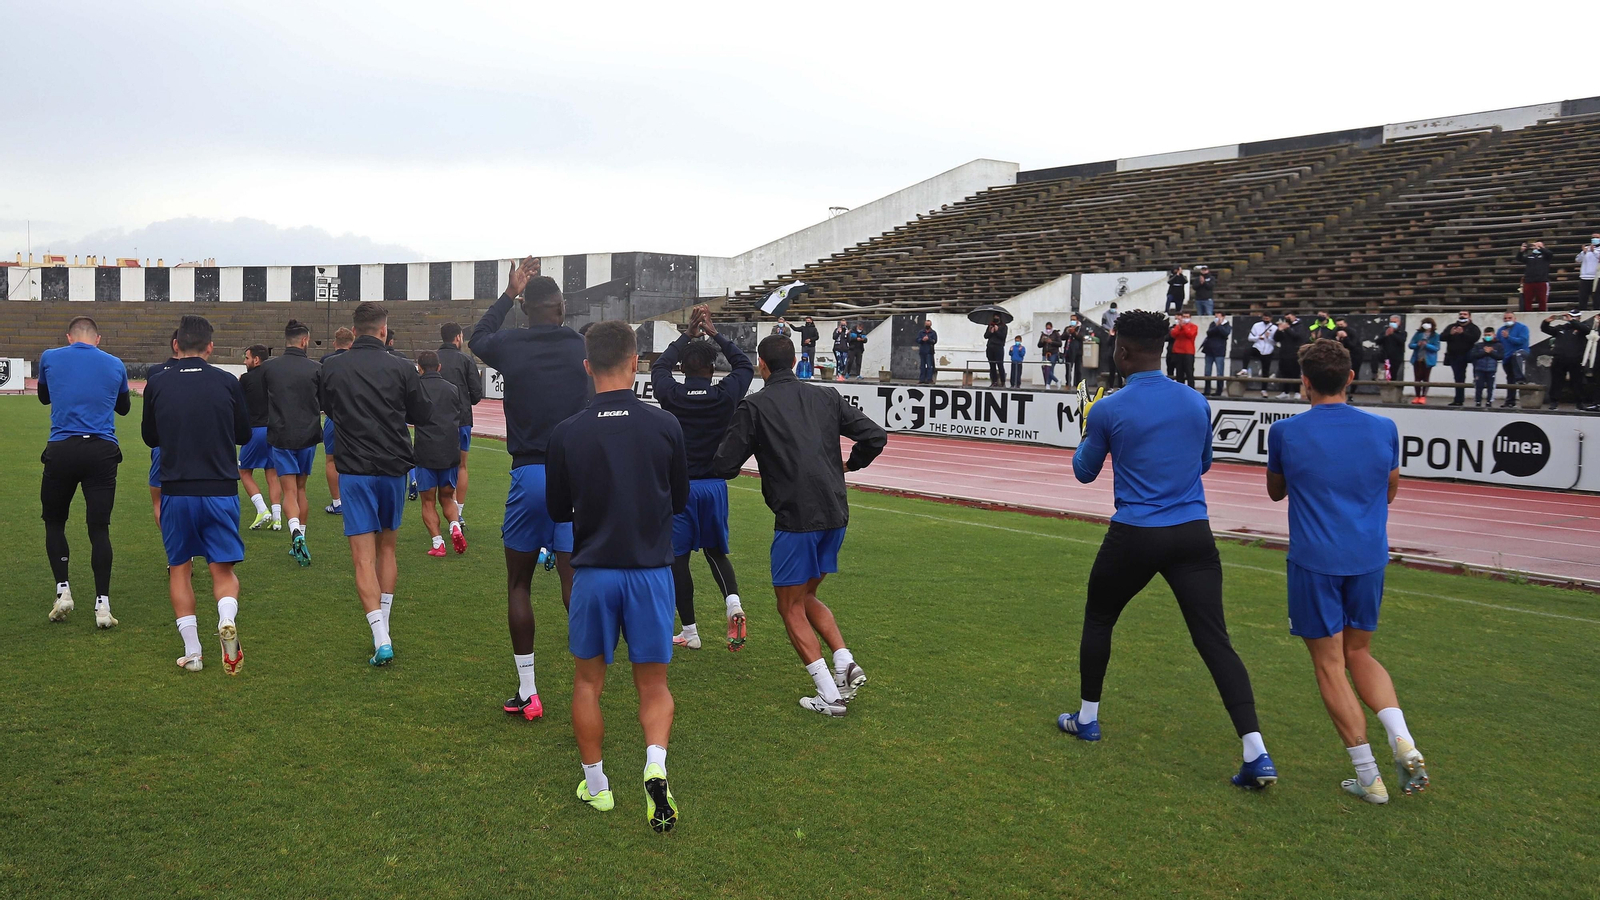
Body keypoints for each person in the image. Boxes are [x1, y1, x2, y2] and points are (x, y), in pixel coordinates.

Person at [1058, 309, 1275, 789]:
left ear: (1122, 351)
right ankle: (1255, 749)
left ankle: (1087, 718)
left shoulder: (1108, 408)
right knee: (1214, 639)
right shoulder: (1195, 402)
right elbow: (1203, 465)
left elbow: (1083, 472)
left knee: (1099, 618)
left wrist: (1086, 431)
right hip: (1193, 533)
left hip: (1136, 533)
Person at [1266, 338, 1428, 805]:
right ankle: (1401, 736)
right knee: (1361, 652)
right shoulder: (1384, 428)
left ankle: (1369, 777)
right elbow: (1392, 490)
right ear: (1351, 379)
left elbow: (1276, 491)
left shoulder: (1286, 433)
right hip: (1369, 557)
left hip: (1316, 560)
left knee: (1329, 664)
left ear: (1305, 382)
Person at [546, 320, 688, 830]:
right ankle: (654, 764)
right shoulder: (665, 425)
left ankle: (598, 785)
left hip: (594, 574)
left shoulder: (567, 432)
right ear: (636, 363)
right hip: (650, 572)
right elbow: (680, 498)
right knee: (653, 686)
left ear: (587, 366)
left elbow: (559, 509)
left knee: (589, 683)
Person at [712, 335, 888, 717]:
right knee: (805, 596)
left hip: (797, 517)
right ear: (794, 361)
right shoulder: (826, 397)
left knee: (789, 605)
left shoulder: (755, 406)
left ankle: (829, 694)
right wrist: (851, 465)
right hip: (836, 514)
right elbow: (876, 436)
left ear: (762, 365)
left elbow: (724, 465)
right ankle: (843, 661)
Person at [470, 258, 591, 720]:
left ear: (525, 308)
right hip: (576, 475)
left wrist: (507, 294)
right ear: (561, 307)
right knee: (572, 582)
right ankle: (588, 681)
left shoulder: (512, 344)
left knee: (518, 582)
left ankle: (528, 690)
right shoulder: (581, 344)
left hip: (531, 472)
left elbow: (477, 336)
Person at [321, 302, 433, 666]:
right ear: (383, 331)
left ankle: (380, 635)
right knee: (387, 550)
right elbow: (423, 414)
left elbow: (328, 406)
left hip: (354, 469)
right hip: (392, 469)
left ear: (354, 332)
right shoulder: (402, 366)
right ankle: (383, 627)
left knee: (362, 558)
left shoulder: (333, 365)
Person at [142, 315, 251, 674]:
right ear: (210, 347)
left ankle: (193, 652)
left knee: (180, 570)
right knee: (222, 570)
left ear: (176, 345)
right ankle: (225, 618)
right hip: (219, 489)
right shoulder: (226, 381)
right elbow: (243, 434)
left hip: (176, 490)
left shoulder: (156, 384)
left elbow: (150, 437)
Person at [650, 305, 755, 652]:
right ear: (712, 369)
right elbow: (745, 366)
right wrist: (714, 333)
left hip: (679, 488)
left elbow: (658, 367)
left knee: (678, 559)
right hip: (714, 487)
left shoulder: (673, 394)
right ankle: (733, 604)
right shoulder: (725, 394)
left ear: (683, 369)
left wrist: (687, 336)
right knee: (715, 552)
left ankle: (690, 631)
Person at [37, 315, 130, 628]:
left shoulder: (50, 357)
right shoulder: (115, 363)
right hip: (101, 451)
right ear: (98, 339)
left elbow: (44, 396)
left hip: (62, 449)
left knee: (54, 522)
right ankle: (102, 605)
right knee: (99, 528)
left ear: (69, 337)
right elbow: (124, 408)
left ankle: (63, 590)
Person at [262, 319, 323, 565]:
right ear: (305, 340)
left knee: (288, 490)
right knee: (301, 489)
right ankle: (302, 535)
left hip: (281, 433)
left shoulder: (269, 368)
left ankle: (295, 530)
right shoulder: (316, 368)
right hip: (307, 434)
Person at [412, 350, 468, 557]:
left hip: (426, 452)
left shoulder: (416, 388)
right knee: (447, 497)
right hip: (449, 451)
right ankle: (454, 525)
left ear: (419, 367)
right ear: (439, 367)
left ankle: (438, 543)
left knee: (428, 501)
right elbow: (459, 414)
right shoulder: (453, 389)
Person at [436, 322, 484, 527]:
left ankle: (445, 509)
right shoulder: (465, 360)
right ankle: (459, 511)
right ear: (458, 337)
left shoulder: (432, 358)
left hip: (435, 421)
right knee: (461, 465)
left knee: (441, 466)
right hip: (461, 419)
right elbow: (476, 394)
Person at [238, 344, 281, 531]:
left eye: (247, 358)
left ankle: (262, 509)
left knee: (244, 472)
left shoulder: (246, 379)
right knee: (271, 473)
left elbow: (238, 405)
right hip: (274, 430)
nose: (244, 361)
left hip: (255, 430)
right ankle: (278, 518)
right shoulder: (273, 376)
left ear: (256, 359)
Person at [145, 331, 181, 527]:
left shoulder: (155, 372)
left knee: (159, 501)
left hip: (161, 443)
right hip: (189, 444)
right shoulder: (204, 372)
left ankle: (174, 547)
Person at [321, 327, 353, 516]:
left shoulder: (326, 361)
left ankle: (337, 502)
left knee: (331, 459)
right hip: (355, 416)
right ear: (352, 343)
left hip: (333, 415)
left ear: (335, 343)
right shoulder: (357, 359)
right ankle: (353, 499)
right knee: (355, 458)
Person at [1540, 310, 1590, 410]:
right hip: (1559, 359)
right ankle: (1554, 402)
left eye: (1573, 317)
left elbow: (1586, 330)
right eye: (1569, 316)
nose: (1570, 318)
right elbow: (1546, 329)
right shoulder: (1561, 328)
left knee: (1577, 382)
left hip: (1575, 360)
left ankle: (1579, 403)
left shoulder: (1582, 328)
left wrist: (1572, 321)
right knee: (1556, 382)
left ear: (1579, 318)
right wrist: (1546, 321)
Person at [1440, 312, 1481, 407]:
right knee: (1458, 379)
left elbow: (1475, 338)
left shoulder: (1473, 328)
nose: (1462, 316)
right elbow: (1441, 337)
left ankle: (1479, 400)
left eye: (1465, 314)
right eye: (1461, 314)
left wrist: (1463, 333)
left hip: (1469, 355)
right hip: (1455, 356)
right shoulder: (1452, 326)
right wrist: (1450, 334)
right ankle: (1458, 399)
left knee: (1479, 376)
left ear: (1469, 317)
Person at [1496, 312, 1531, 408]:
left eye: (1510, 318)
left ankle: (1521, 379)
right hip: (1506, 356)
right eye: (1505, 318)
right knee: (1510, 379)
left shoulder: (1523, 328)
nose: (1507, 320)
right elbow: (1498, 343)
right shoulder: (1500, 330)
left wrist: (1509, 337)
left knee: (1516, 355)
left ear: (1515, 318)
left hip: (1521, 352)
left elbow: (1522, 341)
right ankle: (1510, 401)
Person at [1513, 241, 1554, 313]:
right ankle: (1528, 313)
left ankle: (1542, 313)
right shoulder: (1530, 256)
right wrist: (1521, 251)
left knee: (1542, 300)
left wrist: (1540, 248)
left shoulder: (1545, 257)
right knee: (1527, 300)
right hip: (1529, 281)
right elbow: (1519, 259)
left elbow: (1549, 254)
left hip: (1541, 280)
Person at [1407, 318, 1440, 405]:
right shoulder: (1418, 334)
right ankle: (1417, 396)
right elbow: (1410, 345)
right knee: (1417, 378)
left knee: (1426, 378)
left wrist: (1427, 345)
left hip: (1428, 360)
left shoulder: (1435, 335)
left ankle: (1423, 396)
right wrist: (1417, 344)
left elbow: (1436, 348)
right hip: (1417, 359)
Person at [1468, 331, 1503, 407]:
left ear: (1494, 335)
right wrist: (1484, 352)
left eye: (1489, 335)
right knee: (1478, 386)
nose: (1487, 336)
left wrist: (1491, 352)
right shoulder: (1478, 345)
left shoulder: (1498, 345)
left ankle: (1489, 401)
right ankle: (1478, 401)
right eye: (1486, 335)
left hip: (1491, 369)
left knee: (1490, 387)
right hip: (1479, 369)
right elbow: (1473, 355)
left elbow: (1500, 356)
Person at [1276, 314, 1306, 399]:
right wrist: (1279, 330)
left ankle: (1297, 392)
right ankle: (1285, 392)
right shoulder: (1284, 326)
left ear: (1294, 316)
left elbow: (1297, 336)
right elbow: (1276, 338)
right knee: (1284, 373)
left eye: (1289, 317)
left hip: (1294, 354)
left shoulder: (1300, 326)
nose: (1287, 319)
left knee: (1295, 373)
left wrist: (1287, 328)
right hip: (1283, 353)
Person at [1201, 312, 1231, 396]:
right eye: (1216, 316)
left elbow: (1225, 333)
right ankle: (1207, 390)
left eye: (1218, 316)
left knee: (1219, 372)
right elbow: (1209, 332)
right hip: (1209, 350)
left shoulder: (1227, 325)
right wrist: (1216, 326)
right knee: (1207, 372)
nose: (1216, 318)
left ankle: (1219, 390)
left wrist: (1220, 326)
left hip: (1219, 352)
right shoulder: (1212, 324)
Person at [1334, 317, 1364, 400]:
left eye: (1341, 325)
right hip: (1342, 356)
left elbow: (1353, 345)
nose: (1340, 327)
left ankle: (1352, 393)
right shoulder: (1334, 331)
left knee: (1354, 373)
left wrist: (1345, 337)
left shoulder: (1352, 332)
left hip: (1355, 356)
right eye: (1338, 325)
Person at [1248, 312, 1277, 397]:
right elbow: (1250, 338)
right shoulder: (1256, 325)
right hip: (1258, 347)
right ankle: (1244, 369)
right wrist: (1258, 337)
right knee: (1247, 352)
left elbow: (1274, 342)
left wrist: (1268, 337)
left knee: (1265, 370)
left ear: (1271, 318)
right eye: (1264, 318)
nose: (1265, 320)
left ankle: (1264, 389)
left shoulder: (1274, 328)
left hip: (1268, 350)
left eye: (1267, 318)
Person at [1169, 312, 1198, 389]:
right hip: (1178, 352)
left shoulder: (1193, 326)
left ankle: (1191, 389)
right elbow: (1173, 334)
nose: (1185, 318)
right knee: (1179, 373)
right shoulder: (1177, 326)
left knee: (1189, 372)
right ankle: (1180, 389)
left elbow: (1190, 335)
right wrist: (1180, 327)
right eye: (1184, 317)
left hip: (1188, 352)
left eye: (1187, 317)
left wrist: (1184, 327)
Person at [1378, 315, 1407, 386]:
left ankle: (1392, 388)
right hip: (1385, 356)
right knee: (1385, 374)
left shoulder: (1402, 332)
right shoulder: (1385, 331)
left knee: (1393, 373)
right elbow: (1378, 341)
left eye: (1394, 322)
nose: (1392, 323)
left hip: (1396, 357)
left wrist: (1393, 334)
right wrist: (1385, 335)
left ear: (1399, 323)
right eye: (1391, 322)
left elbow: (1401, 341)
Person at [1576, 234, 1600, 311]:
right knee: (1583, 297)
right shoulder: (1587, 249)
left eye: (1597, 237)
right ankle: (1582, 312)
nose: (1594, 239)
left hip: (1596, 277)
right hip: (1584, 276)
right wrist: (1584, 252)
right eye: (1593, 237)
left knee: (1596, 297)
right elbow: (1578, 259)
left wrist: (1594, 251)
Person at [985, 315, 1008, 387]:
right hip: (990, 347)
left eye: (997, 316)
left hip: (999, 347)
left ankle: (1002, 381)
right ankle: (994, 381)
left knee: (1000, 365)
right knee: (992, 365)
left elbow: (1003, 337)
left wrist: (997, 331)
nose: (995, 318)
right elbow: (985, 336)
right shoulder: (990, 325)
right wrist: (990, 331)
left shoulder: (1004, 326)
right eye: (994, 316)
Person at [1038, 322, 1061, 388]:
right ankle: (1056, 381)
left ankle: (1048, 384)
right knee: (1045, 369)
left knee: (1050, 369)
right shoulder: (1043, 334)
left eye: (1049, 328)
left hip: (1053, 353)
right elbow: (1039, 345)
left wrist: (1051, 342)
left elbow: (1059, 344)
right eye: (1047, 328)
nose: (1048, 330)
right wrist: (1042, 341)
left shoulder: (1055, 333)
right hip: (1045, 353)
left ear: (1051, 327)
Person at [917, 320, 938, 384]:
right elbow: (917, 340)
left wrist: (928, 339)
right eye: (926, 324)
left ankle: (929, 379)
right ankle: (922, 379)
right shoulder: (921, 332)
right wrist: (922, 340)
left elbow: (935, 341)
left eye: (928, 325)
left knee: (929, 366)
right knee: (922, 366)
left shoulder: (933, 333)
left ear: (930, 325)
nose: (927, 326)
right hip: (922, 351)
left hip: (929, 352)